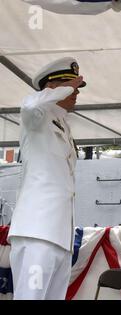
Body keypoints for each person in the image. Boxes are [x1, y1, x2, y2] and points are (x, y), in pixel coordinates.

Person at [8, 57, 85, 300]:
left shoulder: (62, 123)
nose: (75, 92)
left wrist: (67, 86)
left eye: (76, 88)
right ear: (51, 88)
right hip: (37, 230)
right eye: (70, 87)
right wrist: (65, 87)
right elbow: (30, 106)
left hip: (59, 234)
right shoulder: (38, 117)